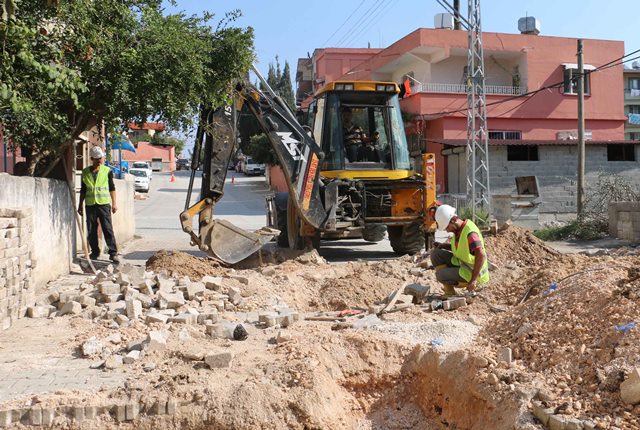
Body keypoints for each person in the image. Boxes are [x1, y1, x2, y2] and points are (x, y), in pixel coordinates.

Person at [429, 204, 489, 296]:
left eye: (447, 227)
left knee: (440, 275)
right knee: (436, 254)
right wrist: (443, 246)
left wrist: (473, 280)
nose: (447, 231)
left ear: (453, 220)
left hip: (474, 272)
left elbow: (481, 255)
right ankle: (449, 292)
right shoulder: (459, 230)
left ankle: (472, 284)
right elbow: (461, 248)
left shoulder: (470, 233)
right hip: (462, 263)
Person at [78, 146, 119, 263]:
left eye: (100, 158)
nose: (99, 160)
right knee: (91, 229)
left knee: (107, 228)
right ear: (92, 159)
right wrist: (80, 205)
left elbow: (112, 188)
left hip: (104, 204)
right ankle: (95, 252)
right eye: (97, 159)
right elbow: (83, 190)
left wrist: (114, 203)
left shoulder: (107, 171)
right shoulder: (85, 172)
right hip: (90, 204)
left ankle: (113, 252)